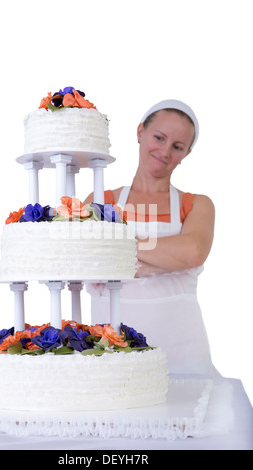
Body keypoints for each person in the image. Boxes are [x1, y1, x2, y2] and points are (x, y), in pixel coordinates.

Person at [84, 99, 219, 376]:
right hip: (112, 356)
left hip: (185, 353)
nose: (165, 151)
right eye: (159, 137)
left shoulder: (197, 204)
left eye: (177, 146)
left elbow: (192, 252)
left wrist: (118, 250)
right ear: (139, 132)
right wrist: (168, 262)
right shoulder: (100, 200)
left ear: (186, 153)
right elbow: (85, 260)